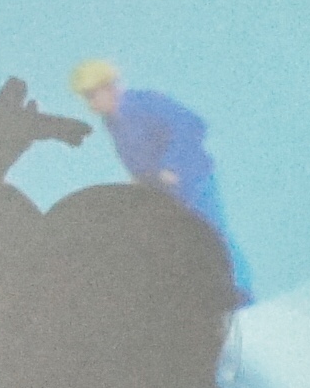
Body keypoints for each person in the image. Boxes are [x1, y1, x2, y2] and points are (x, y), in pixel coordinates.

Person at [67, 60, 248, 294]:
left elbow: (193, 124)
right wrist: (139, 181)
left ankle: (240, 292)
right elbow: (136, 155)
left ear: (109, 87)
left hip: (192, 180)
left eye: (92, 95)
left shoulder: (145, 103)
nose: (90, 103)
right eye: (86, 97)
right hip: (163, 191)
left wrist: (172, 165)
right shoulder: (111, 121)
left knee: (212, 235)